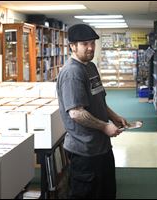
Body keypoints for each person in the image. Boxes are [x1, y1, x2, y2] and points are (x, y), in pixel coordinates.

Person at [56, 24, 129, 199]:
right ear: (73, 46)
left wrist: (114, 117)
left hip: (101, 147)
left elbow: (99, 100)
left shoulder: (90, 67)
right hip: (84, 150)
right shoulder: (72, 73)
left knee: (106, 192)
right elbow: (76, 113)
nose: (90, 48)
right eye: (85, 44)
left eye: (92, 43)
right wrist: (105, 126)